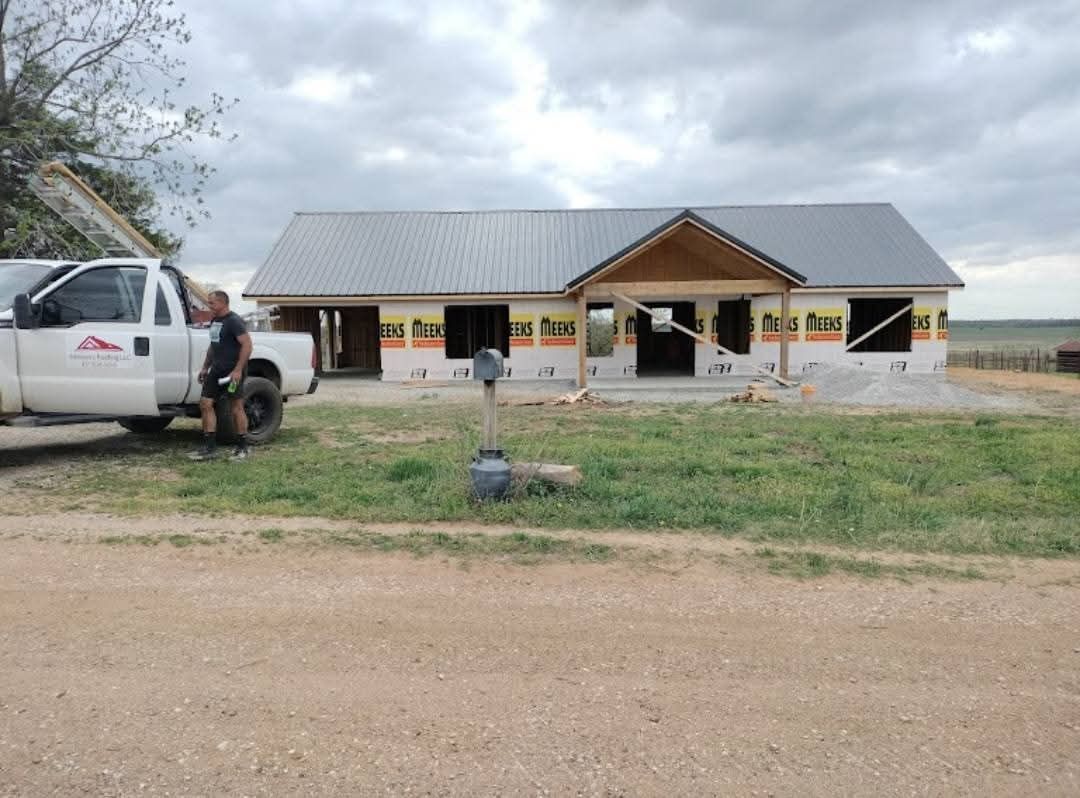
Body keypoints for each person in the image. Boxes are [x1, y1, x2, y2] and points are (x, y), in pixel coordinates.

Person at [190, 290, 253, 461]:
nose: (209, 306)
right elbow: (213, 344)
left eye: (212, 303)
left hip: (233, 372)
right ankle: (210, 448)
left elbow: (247, 345)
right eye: (209, 302)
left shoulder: (234, 321)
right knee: (205, 403)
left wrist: (238, 370)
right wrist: (205, 367)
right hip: (216, 370)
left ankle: (242, 448)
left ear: (223, 303)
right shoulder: (215, 320)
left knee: (236, 407)